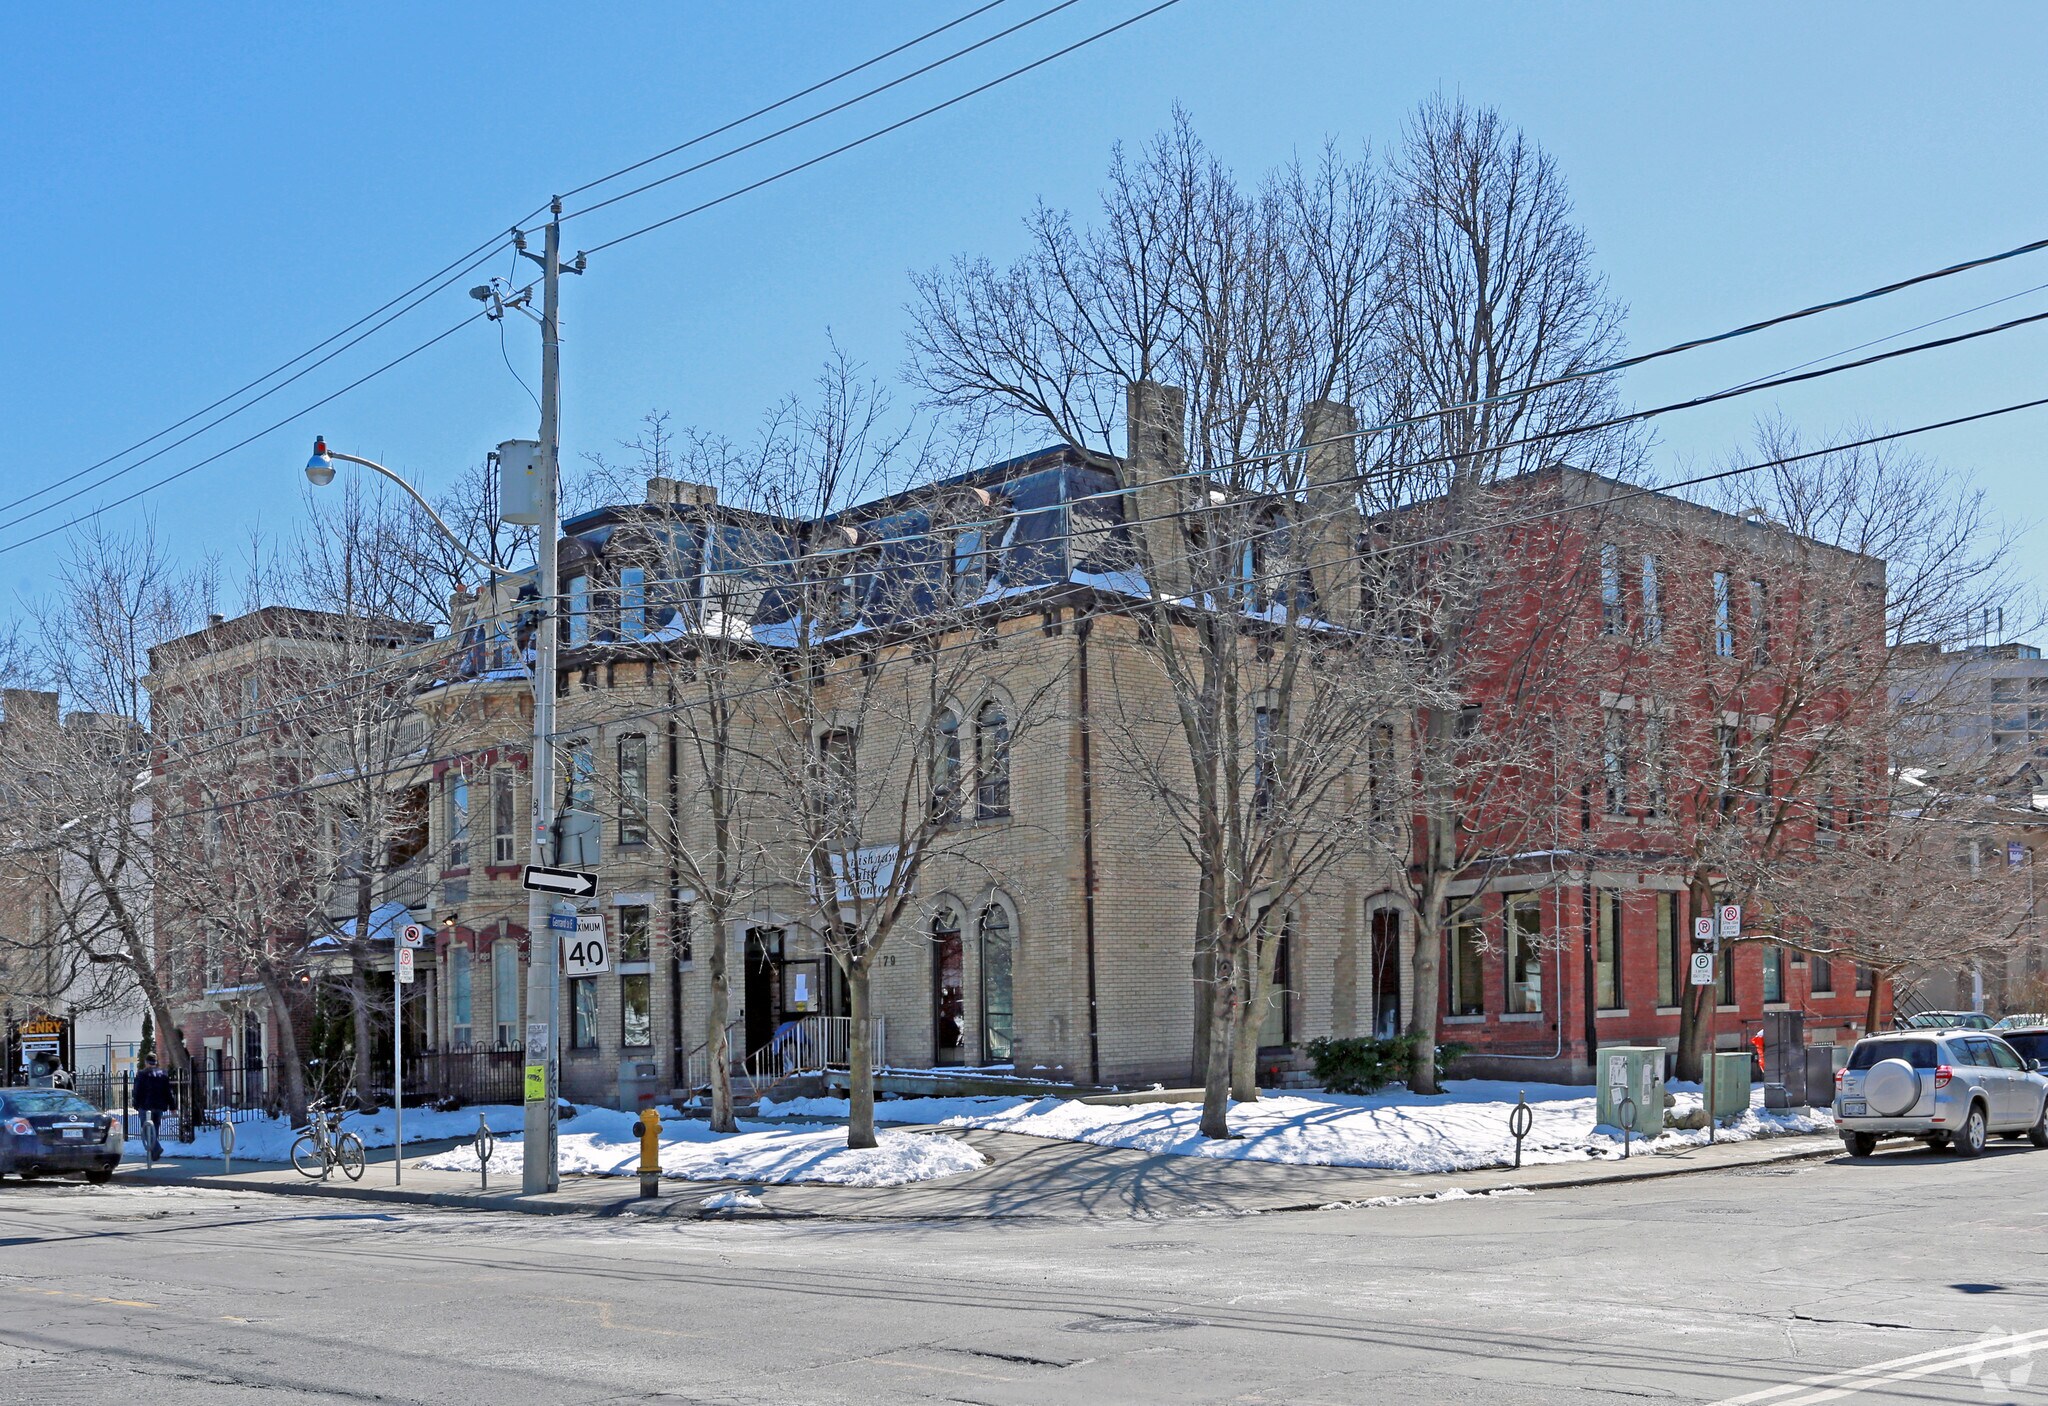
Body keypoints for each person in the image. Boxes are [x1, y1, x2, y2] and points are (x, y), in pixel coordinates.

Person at [133, 1053, 172, 1159]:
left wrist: (136, 1104)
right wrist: (172, 1106)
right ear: (155, 1062)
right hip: (159, 1107)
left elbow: (137, 1091)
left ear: (146, 1062)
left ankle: (156, 1149)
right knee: (155, 1131)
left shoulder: (142, 1074)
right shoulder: (162, 1074)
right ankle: (154, 1154)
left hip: (145, 1107)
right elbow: (167, 1092)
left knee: (146, 1131)